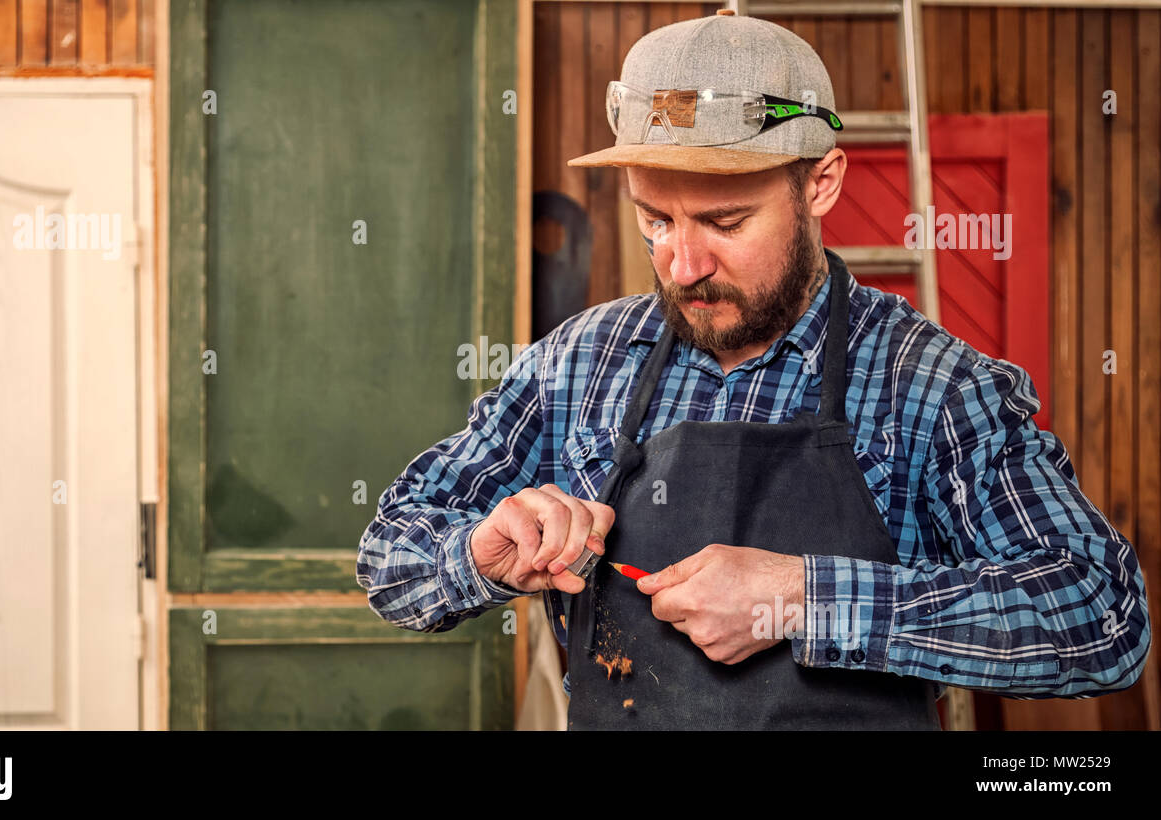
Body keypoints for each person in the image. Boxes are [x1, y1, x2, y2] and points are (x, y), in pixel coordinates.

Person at [357, 11, 1149, 729]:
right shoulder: (580, 364)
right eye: (653, 220)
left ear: (821, 183)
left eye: (725, 221)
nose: (683, 263)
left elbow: (1100, 618)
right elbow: (389, 555)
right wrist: (480, 555)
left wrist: (800, 600)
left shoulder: (933, 385)